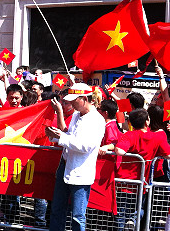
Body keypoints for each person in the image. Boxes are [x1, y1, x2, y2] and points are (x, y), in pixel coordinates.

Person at [46, 83, 105, 231]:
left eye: (74, 100)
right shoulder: (76, 115)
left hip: (81, 172)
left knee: (77, 216)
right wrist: (55, 136)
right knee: (57, 209)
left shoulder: (97, 120)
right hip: (65, 166)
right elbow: (70, 136)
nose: (71, 103)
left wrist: (60, 138)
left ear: (84, 99)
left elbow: (86, 146)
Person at [113, 108, 170, 228]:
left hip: (124, 183)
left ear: (130, 123)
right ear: (147, 122)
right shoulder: (157, 137)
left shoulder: (129, 135)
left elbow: (120, 151)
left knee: (121, 215)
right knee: (138, 212)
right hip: (142, 183)